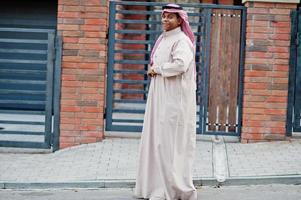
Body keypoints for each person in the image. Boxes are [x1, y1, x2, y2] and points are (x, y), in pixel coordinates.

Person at [134, 3, 197, 200]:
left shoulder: (182, 40)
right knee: (155, 141)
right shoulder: (164, 38)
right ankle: (153, 187)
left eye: (170, 17)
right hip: (159, 96)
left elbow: (180, 64)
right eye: (164, 16)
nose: (165, 20)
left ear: (180, 20)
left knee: (167, 144)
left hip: (173, 99)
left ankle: (169, 189)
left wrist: (158, 69)